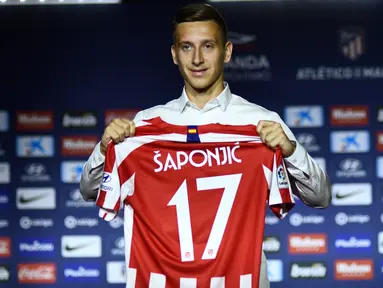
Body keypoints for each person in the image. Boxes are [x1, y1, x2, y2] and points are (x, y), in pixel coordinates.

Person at [80, 3, 331, 287]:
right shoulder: (143, 128)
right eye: (187, 47)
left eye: (208, 46)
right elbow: (89, 191)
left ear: (227, 51)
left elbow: (320, 197)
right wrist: (104, 150)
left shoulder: (261, 124)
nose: (197, 58)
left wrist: (291, 151)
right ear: (174, 55)